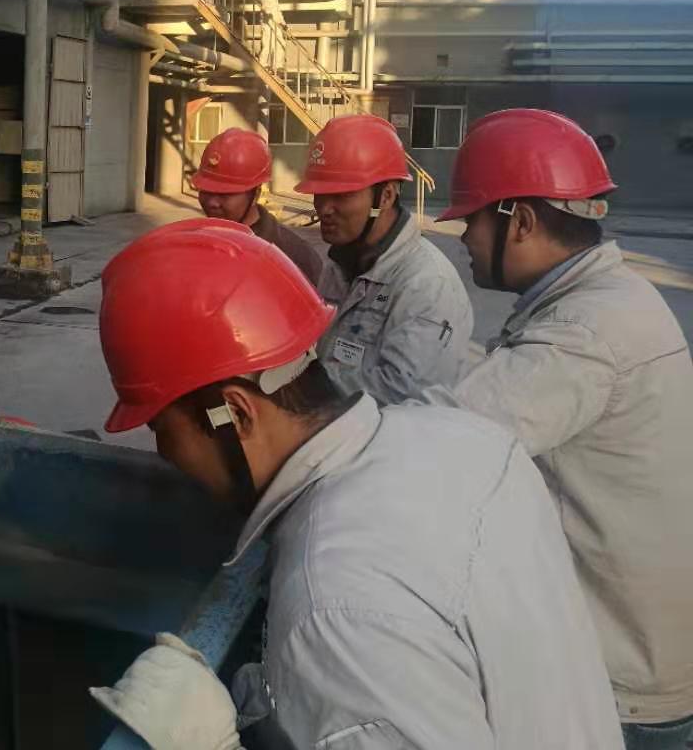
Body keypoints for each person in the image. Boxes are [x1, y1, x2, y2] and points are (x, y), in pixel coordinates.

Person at [89, 219, 623, 749]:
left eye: (160, 429)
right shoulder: (469, 440)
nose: (165, 455)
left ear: (237, 414)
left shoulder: (332, 608)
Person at [400, 109, 693, 748]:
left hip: (620, 687)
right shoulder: (614, 299)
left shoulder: (582, 334)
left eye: (472, 221)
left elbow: (441, 441)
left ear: (522, 221)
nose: (462, 238)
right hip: (645, 651)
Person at [296, 113, 471, 401]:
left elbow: (406, 394)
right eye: (319, 194)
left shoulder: (426, 284)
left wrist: (303, 389)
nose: (324, 209)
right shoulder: (340, 265)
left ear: (386, 196)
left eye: (341, 196)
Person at [192, 129, 322, 285]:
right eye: (205, 191)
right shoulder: (192, 247)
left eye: (224, 194)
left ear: (256, 194)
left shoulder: (294, 257)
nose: (212, 203)